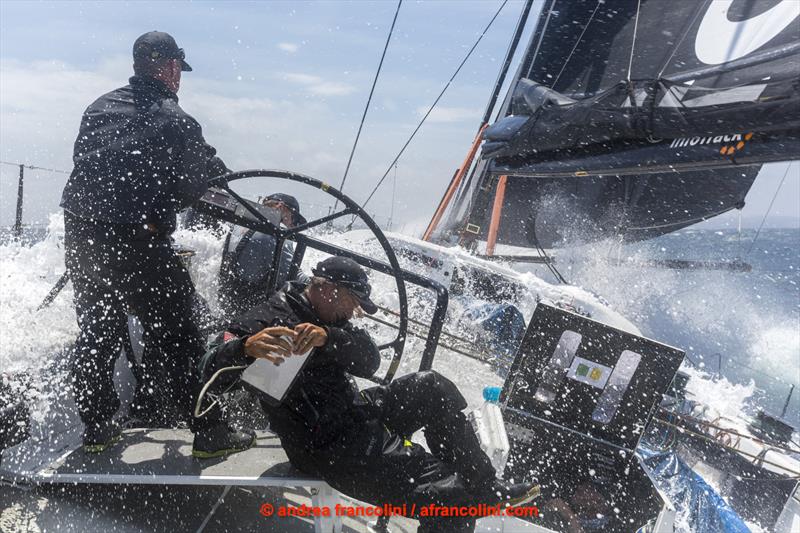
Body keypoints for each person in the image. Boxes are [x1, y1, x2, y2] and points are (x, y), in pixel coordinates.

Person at [196, 256, 539, 531]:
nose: (355, 312)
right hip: (326, 445)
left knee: (431, 386)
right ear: (329, 290)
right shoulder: (268, 319)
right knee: (452, 498)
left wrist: (329, 337)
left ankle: (485, 485)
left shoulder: (327, 319)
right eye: (354, 303)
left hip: (355, 412)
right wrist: (244, 348)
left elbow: (369, 358)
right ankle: (465, 495)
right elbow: (208, 365)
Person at [60, 31, 253, 455]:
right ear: (168, 67)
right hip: (136, 243)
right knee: (180, 336)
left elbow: (87, 166)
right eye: (178, 70)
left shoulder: (98, 107)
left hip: (82, 237)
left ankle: (98, 427)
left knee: (97, 331)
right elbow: (198, 186)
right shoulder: (175, 119)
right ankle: (211, 432)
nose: (178, 78)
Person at [217, 193, 307, 318]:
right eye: (294, 219)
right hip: (251, 312)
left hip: (227, 303)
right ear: (281, 207)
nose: (293, 225)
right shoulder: (276, 236)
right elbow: (292, 277)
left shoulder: (238, 225)